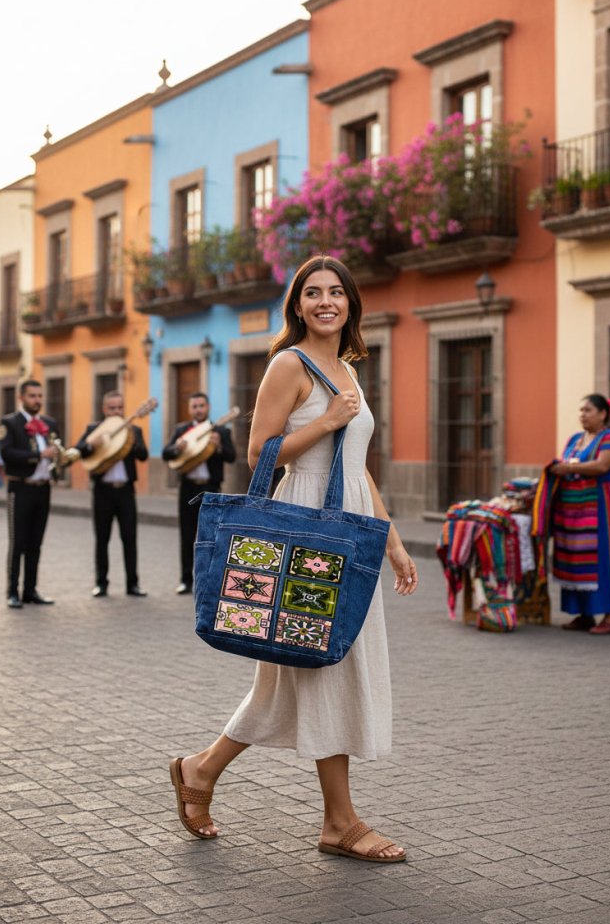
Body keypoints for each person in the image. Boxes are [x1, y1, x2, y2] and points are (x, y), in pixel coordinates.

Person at [169, 256, 418, 863]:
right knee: (321, 666)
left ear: (352, 303)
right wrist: (329, 419)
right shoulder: (289, 364)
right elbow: (261, 453)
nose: (326, 301)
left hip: (344, 526)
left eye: (337, 292)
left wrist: (390, 538)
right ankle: (340, 822)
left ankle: (201, 769)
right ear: (298, 305)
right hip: (303, 532)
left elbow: (355, 465)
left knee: (294, 675)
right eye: (313, 293)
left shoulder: (349, 369)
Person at [548, 393, 610, 635]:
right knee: (575, 560)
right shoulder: (576, 439)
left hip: (603, 509)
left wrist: (568, 468)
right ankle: (584, 614)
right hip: (574, 513)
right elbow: (565, 463)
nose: (582, 415)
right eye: (581, 410)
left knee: (603, 559)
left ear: (603, 413)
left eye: (588, 410)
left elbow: (602, 466)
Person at [74, 391, 149, 598]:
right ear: (104, 409)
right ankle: (101, 584)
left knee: (129, 538)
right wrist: (91, 445)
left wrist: (131, 442)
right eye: (112, 408)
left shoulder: (134, 429)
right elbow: (79, 449)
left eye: (119, 408)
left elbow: (143, 455)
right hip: (102, 492)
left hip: (125, 492)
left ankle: (132, 584)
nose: (116, 411)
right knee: (102, 538)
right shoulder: (93, 429)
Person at [162, 392, 236, 595]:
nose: (198, 409)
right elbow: (165, 453)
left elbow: (231, 457)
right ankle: (186, 580)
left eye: (201, 405)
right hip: (188, 488)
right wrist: (177, 448)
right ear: (190, 408)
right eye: (194, 406)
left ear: (208, 407)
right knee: (187, 535)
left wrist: (219, 445)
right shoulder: (182, 430)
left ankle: (211, 580)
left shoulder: (221, 430)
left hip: (210, 488)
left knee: (213, 536)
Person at [0, 379, 60, 608]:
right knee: (18, 543)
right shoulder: (10, 423)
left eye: (40, 396)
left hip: (43, 488)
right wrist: (38, 455)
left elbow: (56, 450)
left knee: (36, 542)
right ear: (21, 398)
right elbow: (6, 453)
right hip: (20, 488)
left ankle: (30, 590)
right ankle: (12, 591)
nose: (37, 400)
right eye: (32, 396)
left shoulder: (50, 423)